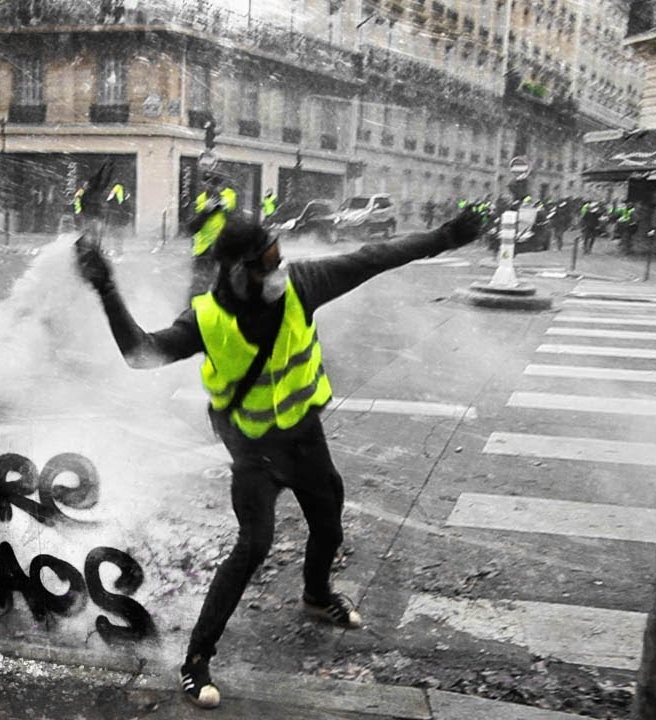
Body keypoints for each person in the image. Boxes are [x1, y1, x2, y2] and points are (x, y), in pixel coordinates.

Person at [73, 208, 483, 710]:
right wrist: (106, 288)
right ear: (235, 270)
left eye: (277, 256)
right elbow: (141, 353)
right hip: (254, 454)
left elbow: (373, 258)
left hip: (306, 440)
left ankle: (317, 595)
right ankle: (196, 660)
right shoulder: (206, 319)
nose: (278, 270)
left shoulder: (301, 286)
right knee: (253, 546)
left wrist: (445, 236)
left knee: (329, 523)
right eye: (266, 262)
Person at [186, 169, 237, 299]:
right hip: (203, 249)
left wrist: (223, 207)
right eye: (207, 183)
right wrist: (206, 210)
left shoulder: (230, 196)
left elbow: (235, 218)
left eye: (215, 184)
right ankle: (194, 308)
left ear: (222, 184)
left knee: (225, 285)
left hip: (224, 248)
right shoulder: (200, 200)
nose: (211, 187)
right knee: (199, 286)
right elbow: (191, 228)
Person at [105, 178, 128, 256]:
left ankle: (115, 249)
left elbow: (109, 198)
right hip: (120, 215)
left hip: (115, 215)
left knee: (114, 233)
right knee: (119, 234)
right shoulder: (123, 190)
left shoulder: (117, 187)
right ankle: (118, 249)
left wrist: (107, 201)